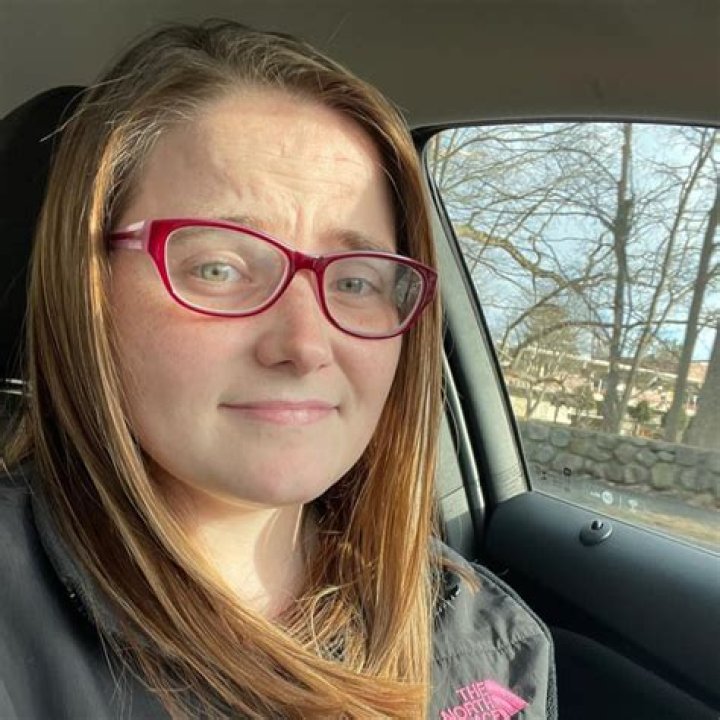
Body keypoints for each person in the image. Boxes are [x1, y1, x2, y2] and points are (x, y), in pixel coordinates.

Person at [0, 20, 556, 719]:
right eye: (218, 267)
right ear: (87, 291)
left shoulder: (487, 649)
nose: (305, 344)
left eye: (354, 281)